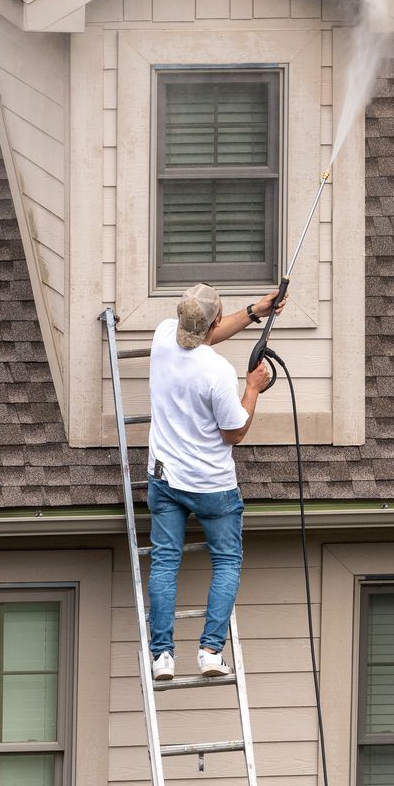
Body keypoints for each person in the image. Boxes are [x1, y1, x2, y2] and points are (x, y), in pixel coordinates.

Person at [144, 283, 280, 681]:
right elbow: (233, 433)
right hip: (211, 487)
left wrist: (256, 311)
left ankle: (162, 657)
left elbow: (204, 334)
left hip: (165, 478)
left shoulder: (164, 334)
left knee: (165, 562)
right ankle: (209, 652)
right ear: (215, 321)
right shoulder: (218, 371)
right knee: (226, 561)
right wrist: (252, 388)